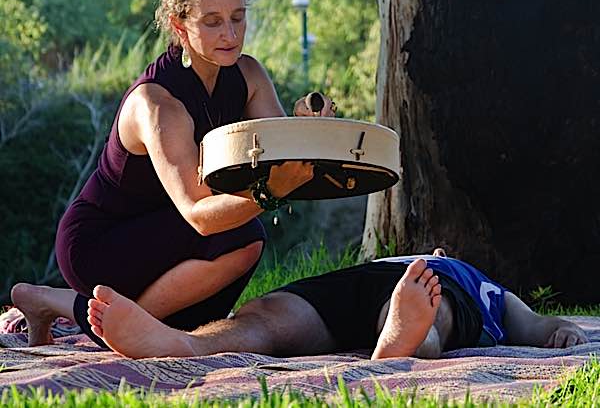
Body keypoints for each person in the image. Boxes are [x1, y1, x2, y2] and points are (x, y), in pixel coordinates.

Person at [10, 0, 334, 348]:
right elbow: (200, 215)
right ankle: (94, 319)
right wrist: (271, 192)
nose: (230, 34)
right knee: (243, 235)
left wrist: (310, 128)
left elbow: (278, 151)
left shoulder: (248, 74)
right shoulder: (158, 106)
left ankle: (58, 305)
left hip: (172, 233)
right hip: (100, 242)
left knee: (232, 260)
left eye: (238, 17)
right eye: (212, 22)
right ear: (179, 27)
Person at [86, 249, 588, 360]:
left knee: (431, 306)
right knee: (266, 320)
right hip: (366, 280)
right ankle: (179, 343)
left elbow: (535, 322)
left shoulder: (484, 287)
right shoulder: (414, 259)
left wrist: (559, 330)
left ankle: (408, 337)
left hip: (427, 288)